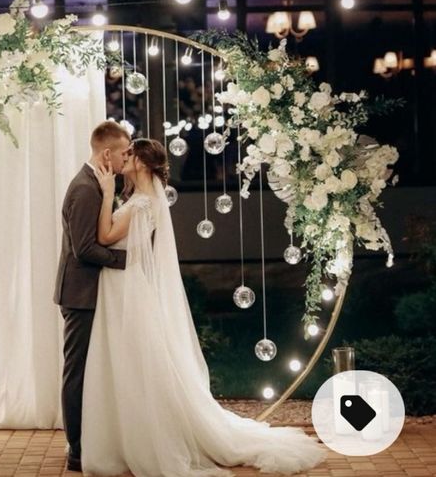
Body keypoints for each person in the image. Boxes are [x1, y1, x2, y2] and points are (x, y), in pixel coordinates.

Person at [82, 138, 327, 476]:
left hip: (127, 288)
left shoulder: (141, 204)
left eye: (130, 154)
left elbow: (106, 237)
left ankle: (145, 437)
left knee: (135, 362)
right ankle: (127, 436)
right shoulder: (142, 199)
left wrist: (107, 192)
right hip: (125, 286)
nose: (125, 158)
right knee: (134, 361)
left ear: (143, 163)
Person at [54, 120, 132, 473]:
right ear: (107, 153)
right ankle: (76, 449)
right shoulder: (86, 189)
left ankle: (88, 442)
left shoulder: (95, 183)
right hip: (80, 294)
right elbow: (84, 249)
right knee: (77, 372)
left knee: (87, 370)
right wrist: (127, 260)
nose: (126, 159)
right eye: (124, 153)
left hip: (86, 291)